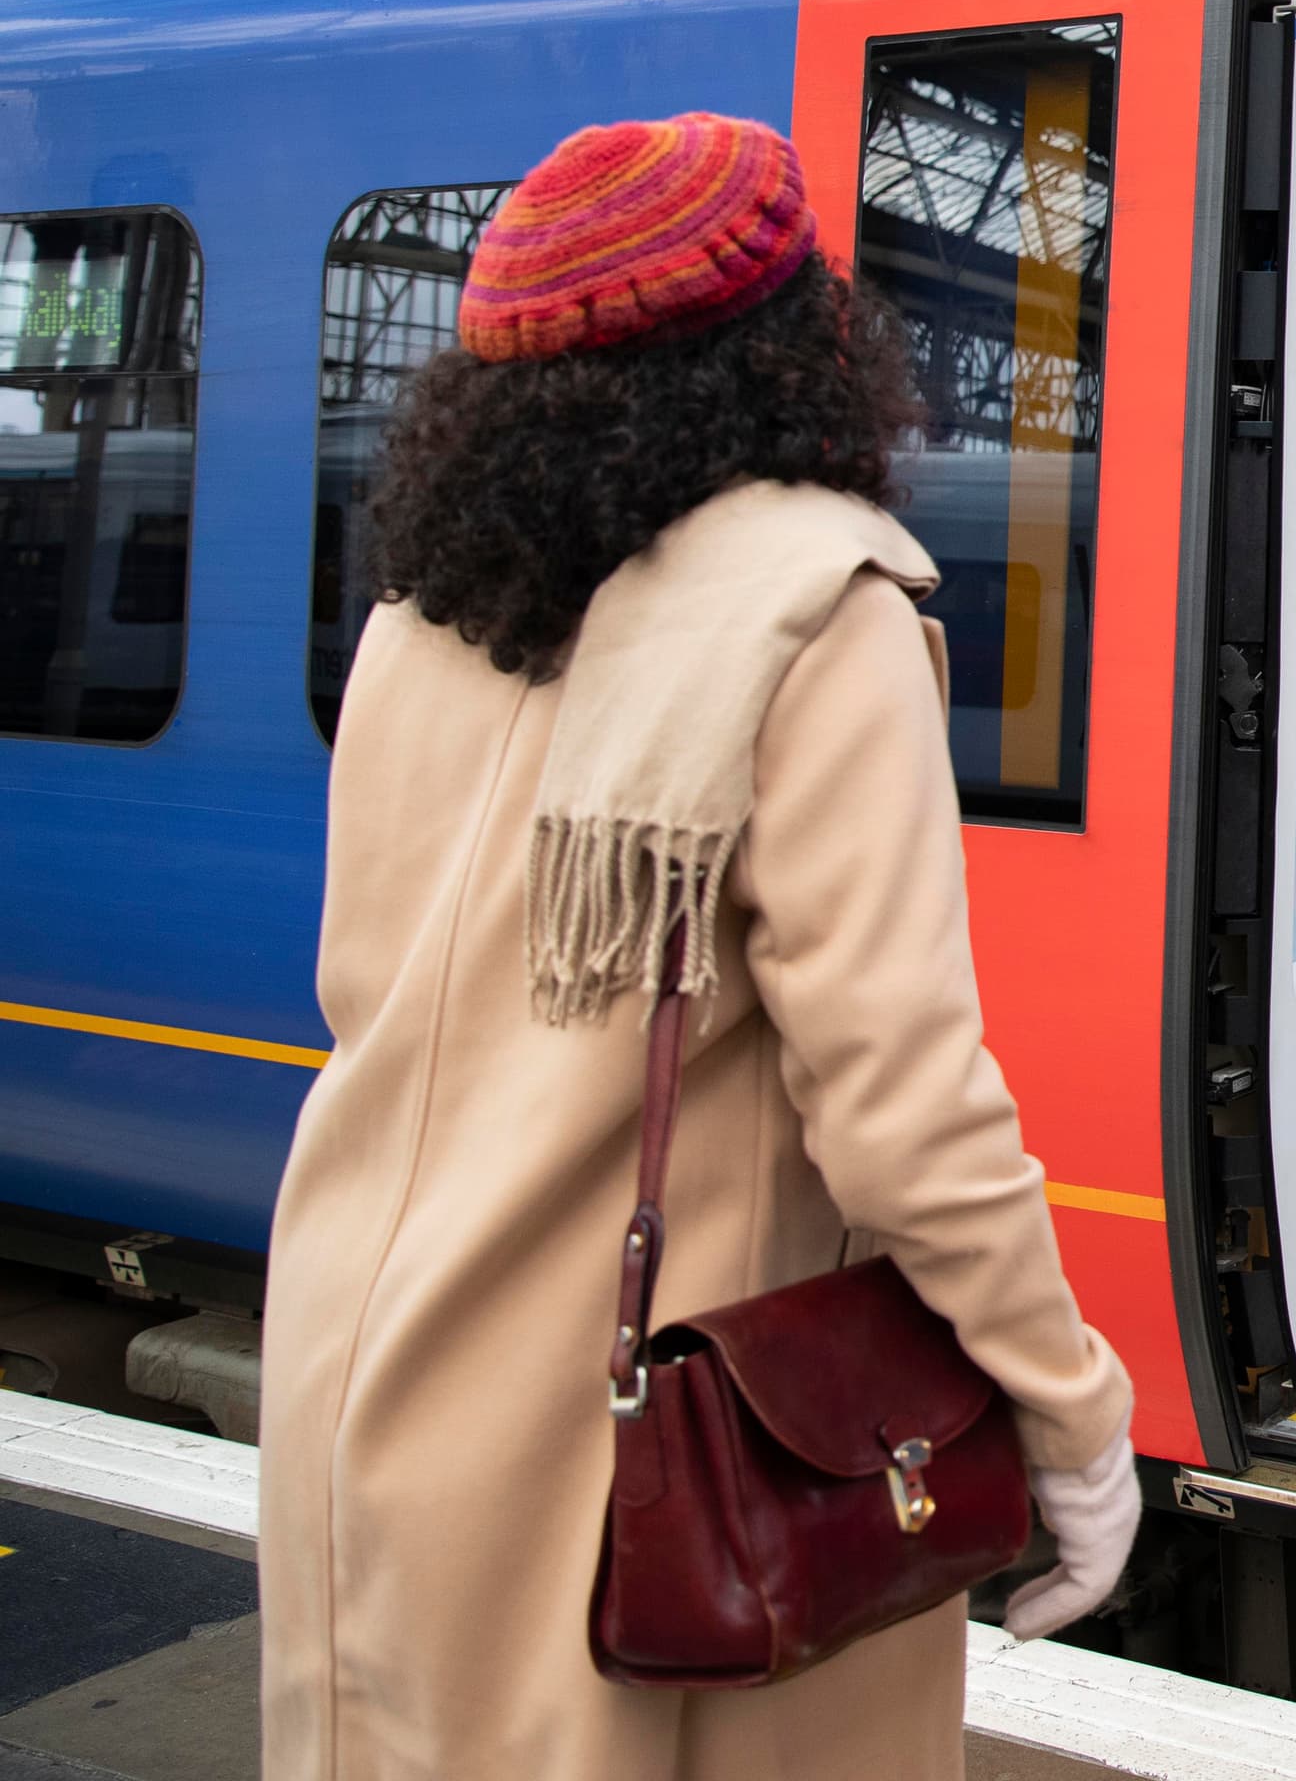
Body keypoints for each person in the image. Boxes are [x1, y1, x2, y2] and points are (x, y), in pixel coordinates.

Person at [257, 113, 1142, 1780]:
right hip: (624, 1453)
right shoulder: (825, 612)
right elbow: (900, 1104)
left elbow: (359, 996)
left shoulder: (415, 618)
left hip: (354, 1375)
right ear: (796, 341)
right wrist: (1073, 1410)